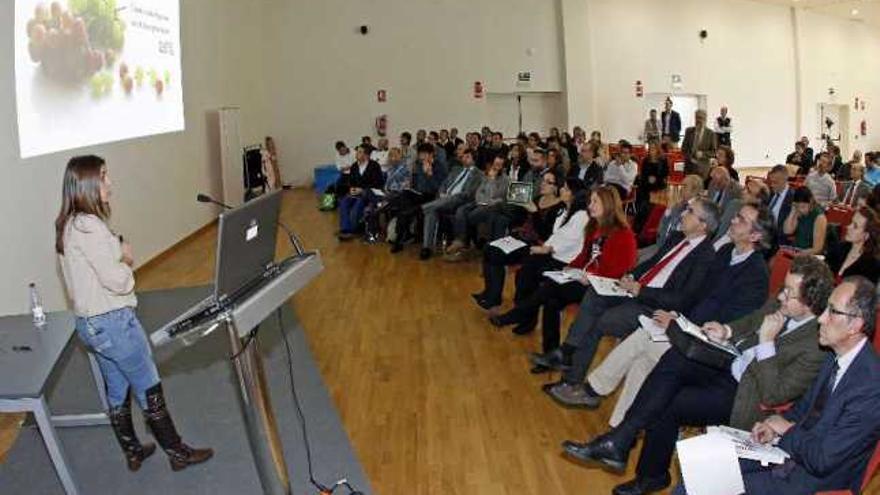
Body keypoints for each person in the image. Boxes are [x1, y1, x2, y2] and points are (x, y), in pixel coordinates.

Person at [569, 256, 834, 495]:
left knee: (670, 403)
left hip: (747, 396)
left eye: (789, 293)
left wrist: (766, 343)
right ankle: (622, 439)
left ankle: (645, 469)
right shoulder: (784, 306)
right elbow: (754, 319)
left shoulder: (817, 345)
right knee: (675, 357)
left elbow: (775, 393)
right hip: (730, 364)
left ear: (810, 303)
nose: (781, 297)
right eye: (784, 288)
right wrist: (727, 330)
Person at [56, 156, 213, 472]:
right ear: (87, 183)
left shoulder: (71, 223)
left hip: (91, 326)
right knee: (148, 384)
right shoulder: (90, 226)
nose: (109, 183)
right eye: (103, 176)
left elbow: (97, 257)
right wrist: (127, 262)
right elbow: (115, 280)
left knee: (117, 388)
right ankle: (178, 453)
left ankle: (133, 451)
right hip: (113, 323)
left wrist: (115, 246)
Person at [561, 203, 773, 420]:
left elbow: (730, 320)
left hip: (710, 344)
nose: (734, 220)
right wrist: (676, 317)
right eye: (736, 215)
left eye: (742, 220)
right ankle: (619, 427)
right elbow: (699, 296)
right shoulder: (727, 251)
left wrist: (678, 320)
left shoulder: (755, 275)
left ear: (755, 235)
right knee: (640, 352)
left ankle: (594, 395)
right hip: (686, 323)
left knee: (642, 343)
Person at [673, 277, 880, 495]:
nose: (821, 318)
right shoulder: (835, 356)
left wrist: (787, 430)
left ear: (855, 326)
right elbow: (804, 408)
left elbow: (823, 459)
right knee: (697, 472)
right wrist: (772, 426)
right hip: (789, 454)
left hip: (810, 481)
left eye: (832, 311)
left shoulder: (871, 389)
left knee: (705, 485)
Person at [541, 198, 720, 399]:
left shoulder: (706, 257)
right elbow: (653, 262)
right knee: (593, 296)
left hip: (654, 307)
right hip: (636, 291)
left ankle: (573, 378)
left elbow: (683, 299)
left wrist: (640, 291)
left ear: (703, 225)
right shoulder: (678, 237)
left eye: (690, 211)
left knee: (600, 321)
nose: (684, 213)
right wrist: (631, 275)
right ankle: (568, 356)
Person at [491, 186, 637, 343]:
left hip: (600, 286)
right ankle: (549, 352)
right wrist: (571, 267)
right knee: (551, 300)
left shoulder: (623, 235)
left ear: (608, 205)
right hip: (584, 277)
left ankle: (517, 314)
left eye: (595, 202)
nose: (590, 206)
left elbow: (620, 270)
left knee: (551, 287)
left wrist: (590, 277)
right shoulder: (594, 226)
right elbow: (584, 255)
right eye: (590, 201)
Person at [486, 179, 589, 334]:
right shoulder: (564, 211)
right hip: (552, 253)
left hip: (565, 260)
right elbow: (555, 235)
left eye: (566, 189)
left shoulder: (582, 216)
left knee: (531, 273)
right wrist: (544, 248)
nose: (562, 190)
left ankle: (518, 315)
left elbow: (569, 239)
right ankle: (526, 318)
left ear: (575, 195)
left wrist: (546, 248)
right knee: (523, 273)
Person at [473, 172, 564, 312]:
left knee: (496, 254)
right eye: (543, 180)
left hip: (537, 244)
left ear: (556, 187)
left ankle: (494, 298)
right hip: (522, 237)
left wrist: (534, 212)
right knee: (489, 248)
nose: (543, 184)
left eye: (548, 182)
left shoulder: (559, 207)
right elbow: (523, 220)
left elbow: (546, 234)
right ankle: (489, 292)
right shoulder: (538, 198)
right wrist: (520, 209)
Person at [418, 148, 482, 259]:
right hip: (444, 200)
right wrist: (442, 193)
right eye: (463, 157)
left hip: (460, 200)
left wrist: (449, 197)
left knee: (449, 199)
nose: (464, 159)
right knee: (431, 211)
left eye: (468, 157)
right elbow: (443, 184)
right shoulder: (456, 169)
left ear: (474, 160)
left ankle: (423, 208)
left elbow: (469, 193)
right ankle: (426, 248)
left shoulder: (478, 174)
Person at [445, 155, 509, 260]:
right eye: (494, 164)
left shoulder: (505, 180)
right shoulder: (486, 176)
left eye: (498, 165)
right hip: (480, 202)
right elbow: (479, 192)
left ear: (504, 167)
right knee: (461, 210)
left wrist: (492, 180)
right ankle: (459, 241)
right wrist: (481, 199)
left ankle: (466, 241)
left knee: (473, 216)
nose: (495, 167)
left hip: (491, 206)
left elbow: (497, 196)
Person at [389, 144, 446, 253]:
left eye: (425, 154)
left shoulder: (439, 166)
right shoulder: (418, 165)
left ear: (431, 154)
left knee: (406, 210)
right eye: (420, 154)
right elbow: (416, 182)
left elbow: (439, 188)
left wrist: (429, 174)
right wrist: (409, 185)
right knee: (403, 197)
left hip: (432, 196)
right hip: (418, 194)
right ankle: (400, 239)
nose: (422, 157)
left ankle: (416, 239)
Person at [337, 145, 384, 240]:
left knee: (358, 203)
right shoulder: (354, 166)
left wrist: (362, 189)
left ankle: (353, 229)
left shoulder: (374, 166)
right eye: (357, 152)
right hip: (356, 192)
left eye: (359, 152)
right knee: (344, 202)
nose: (357, 154)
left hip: (369, 193)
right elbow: (351, 181)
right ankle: (345, 228)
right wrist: (351, 188)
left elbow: (378, 183)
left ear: (366, 155)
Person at [826, 206, 880, 282]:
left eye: (855, 226)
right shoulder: (840, 247)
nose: (848, 226)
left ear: (866, 235)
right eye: (851, 222)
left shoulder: (871, 265)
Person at [654, 175, 704, 249]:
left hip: (676, 249)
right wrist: (669, 209)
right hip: (662, 244)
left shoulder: (698, 210)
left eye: (685, 186)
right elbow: (664, 223)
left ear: (694, 189)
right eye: (682, 186)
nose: (681, 189)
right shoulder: (678, 204)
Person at [784, 187, 828, 255]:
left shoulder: (819, 217)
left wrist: (799, 254)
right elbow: (787, 231)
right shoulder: (798, 212)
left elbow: (817, 248)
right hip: (797, 250)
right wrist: (793, 211)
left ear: (811, 201)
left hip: (809, 255)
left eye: (803, 206)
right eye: (798, 206)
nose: (801, 210)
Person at [681, 109, 718, 178]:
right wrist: (690, 158)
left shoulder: (710, 133)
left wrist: (703, 154)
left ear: (705, 119)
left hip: (703, 168)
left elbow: (714, 152)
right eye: (697, 117)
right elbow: (683, 149)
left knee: (700, 187)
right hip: (689, 167)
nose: (698, 120)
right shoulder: (689, 131)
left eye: (701, 118)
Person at [767, 165, 794, 243]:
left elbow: (788, 230)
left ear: (785, 180)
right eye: (771, 182)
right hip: (765, 232)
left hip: (778, 239)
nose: (772, 185)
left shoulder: (792, 199)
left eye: (775, 182)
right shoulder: (771, 193)